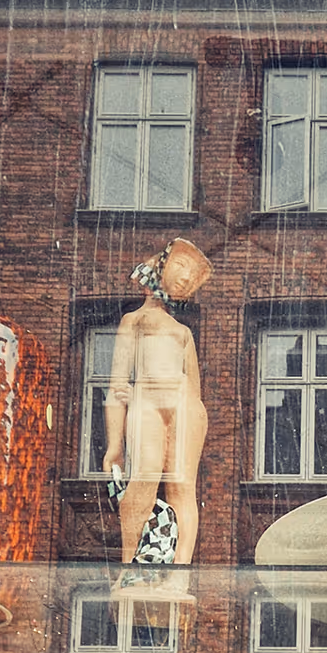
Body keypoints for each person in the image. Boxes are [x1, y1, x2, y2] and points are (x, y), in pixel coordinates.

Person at [102, 238, 213, 567]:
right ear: (160, 267)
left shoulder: (183, 332)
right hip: (146, 398)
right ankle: (127, 565)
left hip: (184, 404)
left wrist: (193, 418)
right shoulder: (133, 321)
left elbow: (194, 388)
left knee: (182, 487)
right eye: (180, 266)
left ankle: (179, 571)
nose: (185, 277)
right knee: (144, 478)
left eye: (190, 274)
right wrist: (114, 444)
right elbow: (117, 383)